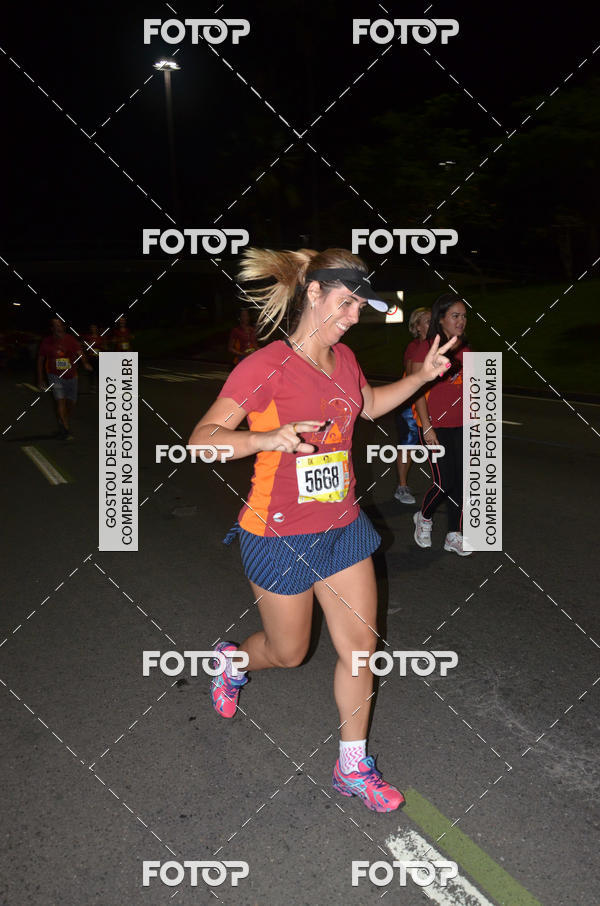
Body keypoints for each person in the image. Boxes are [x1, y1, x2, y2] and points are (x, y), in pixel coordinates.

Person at [189, 247, 454, 812]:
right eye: (348, 301)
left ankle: (351, 766)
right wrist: (264, 438)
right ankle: (233, 660)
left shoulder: (346, 359)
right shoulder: (264, 367)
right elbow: (202, 439)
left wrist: (422, 377)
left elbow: (369, 405)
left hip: (342, 526)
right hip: (278, 534)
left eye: (362, 305)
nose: (356, 314)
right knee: (289, 653)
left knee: (360, 647)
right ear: (314, 293)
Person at [412, 294, 471, 556]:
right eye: (455, 316)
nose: (461, 321)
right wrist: (426, 426)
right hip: (436, 427)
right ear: (442, 319)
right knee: (444, 482)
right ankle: (424, 517)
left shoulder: (467, 349)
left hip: (462, 425)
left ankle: (454, 535)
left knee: (462, 482)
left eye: (464, 316)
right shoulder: (426, 349)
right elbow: (417, 391)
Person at [393, 307, 431, 505]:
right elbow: (413, 377)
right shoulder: (414, 347)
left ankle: (446, 485)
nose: (431, 323)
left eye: (433, 320)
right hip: (410, 403)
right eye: (426, 320)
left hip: (432, 402)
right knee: (408, 443)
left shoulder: (439, 345)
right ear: (416, 326)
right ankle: (402, 486)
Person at [37, 317, 91, 439]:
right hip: (55, 375)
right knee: (60, 400)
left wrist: (85, 363)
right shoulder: (46, 342)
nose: (57, 327)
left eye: (59, 325)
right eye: (55, 325)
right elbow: (40, 360)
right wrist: (40, 379)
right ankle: (66, 428)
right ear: (52, 328)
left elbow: (79, 352)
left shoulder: (70, 340)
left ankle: (63, 420)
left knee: (71, 403)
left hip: (71, 376)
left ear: (63, 327)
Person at [81, 324, 107, 393]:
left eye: (94, 327)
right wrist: (87, 345)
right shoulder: (88, 337)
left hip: (99, 357)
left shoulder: (100, 337)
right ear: (90, 329)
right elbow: (84, 345)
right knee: (91, 373)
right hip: (91, 357)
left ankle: (101, 387)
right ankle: (92, 387)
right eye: (92, 328)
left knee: (100, 373)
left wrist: (102, 347)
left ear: (96, 329)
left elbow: (104, 346)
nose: (93, 329)